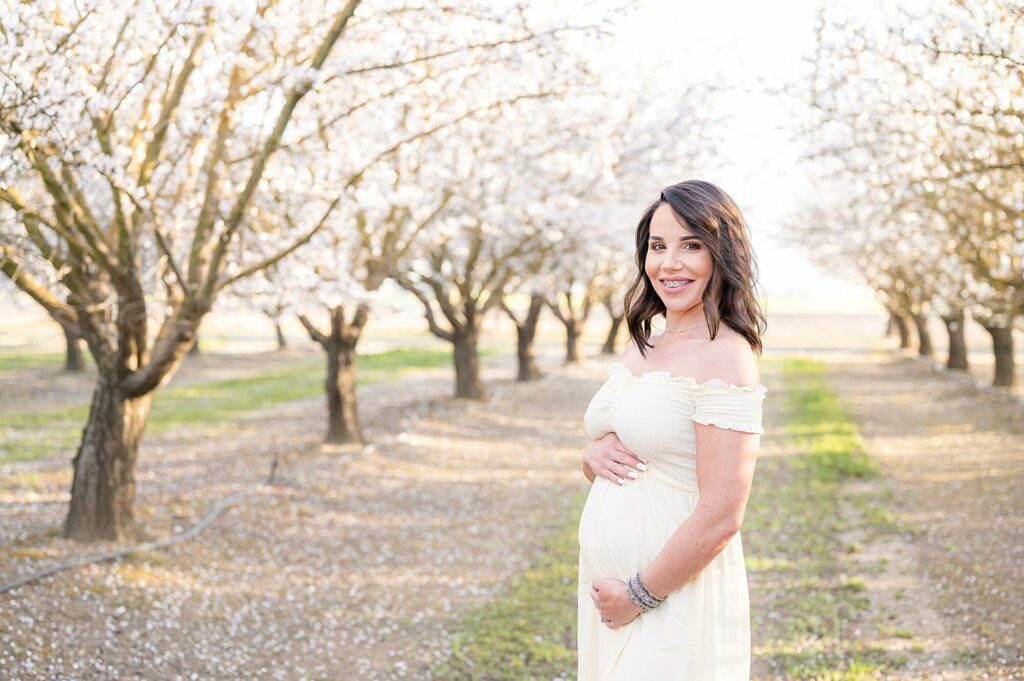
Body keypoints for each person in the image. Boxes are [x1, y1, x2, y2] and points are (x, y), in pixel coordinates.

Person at [577, 180, 768, 680]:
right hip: (611, 595)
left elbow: (723, 512)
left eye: (691, 246)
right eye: (657, 247)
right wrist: (590, 458)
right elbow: (629, 451)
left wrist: (640, 594)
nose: (669, 263)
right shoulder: (647, 342)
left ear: (721, 254)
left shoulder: (726, 355)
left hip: (671, 596)